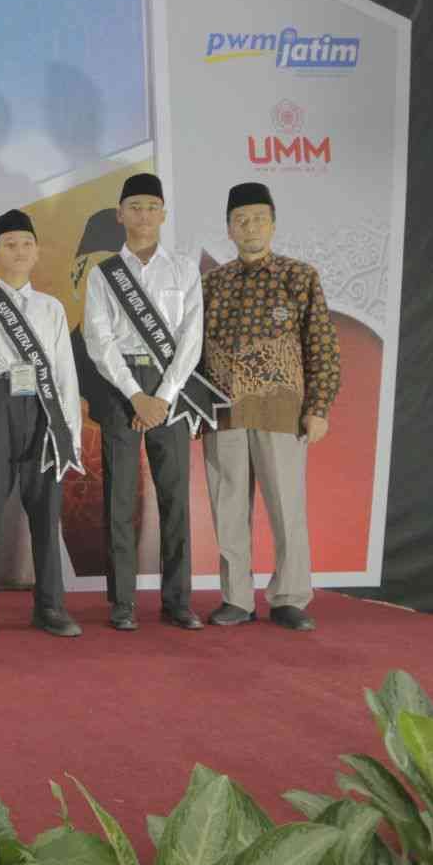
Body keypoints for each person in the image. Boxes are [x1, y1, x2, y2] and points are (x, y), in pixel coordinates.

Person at [82, 172, 226, 631]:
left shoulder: (183, 269)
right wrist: (135, 395)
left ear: (164, 214)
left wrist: (162, 396)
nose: (143, 215)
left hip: (171, 389)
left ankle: (178, 601)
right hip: (122, 386)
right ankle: (123, 602)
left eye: (152, 207)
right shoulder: (103, 274)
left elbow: (191, 338)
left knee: (175, 496)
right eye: (135, 207)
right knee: (119, 498)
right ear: (120, 214)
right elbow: (98, 340)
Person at [200, 182, 341, 631]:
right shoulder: (211, 283)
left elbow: (322, 345)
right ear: (229, 229)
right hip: (223, 411)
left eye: (259, 218)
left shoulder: (299, 277)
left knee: (286, 507)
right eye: (240, 220)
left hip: (282, 410)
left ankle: (289, 597)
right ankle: (236, 598)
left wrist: (318, 406)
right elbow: (192, 351)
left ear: (273, 224)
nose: (250, 227)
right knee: (228, 508)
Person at [0, 209, 84, 638]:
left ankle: (50, 607)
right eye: (9, 244)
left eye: (26, 244)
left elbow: (65, 374)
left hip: (44, 410)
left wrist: (70, 434)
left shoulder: (51, 308)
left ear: (37, 252)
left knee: (46, 513)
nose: (19, 251)